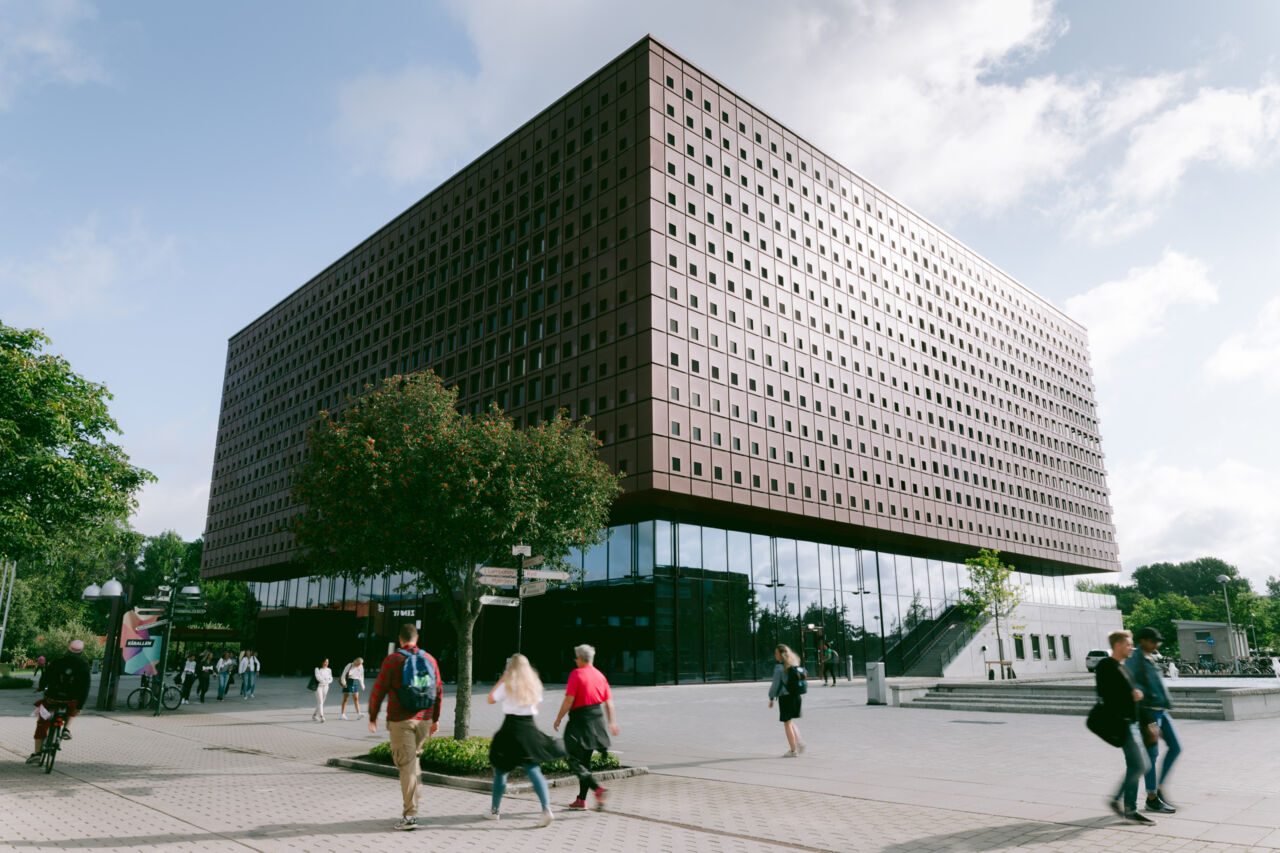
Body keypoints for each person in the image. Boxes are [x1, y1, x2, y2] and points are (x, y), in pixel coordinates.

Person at [368, 624, 443, 831]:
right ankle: (414, 797)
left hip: (401, 720)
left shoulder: (393, 660)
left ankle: (410, 816)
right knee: (412, 760)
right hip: (424, 719)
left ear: (400, 639)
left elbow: (379, 689)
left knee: (406, 765)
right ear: (416, 638)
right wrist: (435, 719)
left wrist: (373, 716)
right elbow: (438, 690)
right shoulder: (430, 659)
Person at [484, 653, 561, 826]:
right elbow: (537, 707)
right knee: (534, 769)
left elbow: (490, 699)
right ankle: (546, 808)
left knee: (502, 770)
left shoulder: (507, 684)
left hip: (510, 729)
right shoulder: (534, 685)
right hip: (529, 728)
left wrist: (502, 679)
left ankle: (494, 810)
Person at [1096, 629, 1154, 825]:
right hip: (1122, 723)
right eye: (1129, 644)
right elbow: (1105, 693)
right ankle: (1117, 800)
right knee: (1141, 765)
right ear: (1118, 645)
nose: (1132, 647)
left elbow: (1135, 697)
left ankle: (1129, 808)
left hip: (1133, 723)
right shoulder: (1106, 666)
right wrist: (1131, 694)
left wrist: (1148, 721)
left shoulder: (1124, 667)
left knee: (1135, 766)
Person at [552, 643, 619, 811]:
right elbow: (609, 703)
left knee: (571, 756)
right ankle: (581, 799)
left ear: (581, 658)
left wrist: (559, 718)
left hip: (580, 722)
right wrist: (611, 723)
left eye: (576, 658)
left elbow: (569, 700)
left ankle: (598, 789)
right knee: (584, 761)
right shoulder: (600, 675)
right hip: (597, 721)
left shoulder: (577, 674)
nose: (575, 661)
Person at [1127, 626, 1181, 814]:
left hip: (1162, 711)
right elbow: (1131, 685)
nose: (1156, 644)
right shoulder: (1135, 660)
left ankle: (1159, 788)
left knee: (1175, 747)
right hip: (1149, 713)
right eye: (1153, 641)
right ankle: (1151, 798)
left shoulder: (1151, 658)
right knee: (1151, 755)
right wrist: (1145, 715)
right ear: (1143, 640)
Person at [27, 640, 91, 764]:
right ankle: (66, 729)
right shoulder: (83, 667)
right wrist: (80, 706)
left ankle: (37, 753)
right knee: (73, 711)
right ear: (81, 653)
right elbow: (85, 688)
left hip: (52, 698)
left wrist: (41, 687)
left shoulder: (57, 662)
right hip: (71, 700)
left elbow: (45, 677)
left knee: (42, 723)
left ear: (68, 649)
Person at [768, 643, 805, 756]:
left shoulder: (779, 667)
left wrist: (771, 697)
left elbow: (775, 685)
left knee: (787, 723)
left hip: (786, 697)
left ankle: (793, 750)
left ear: (781, 655)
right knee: (789, 721)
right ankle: (799, 742)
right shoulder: (794, 664)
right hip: (796, 696)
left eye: (776, 653)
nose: (775, 655)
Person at [312, 658, 333, 722]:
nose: (326, 663)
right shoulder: (317, 669)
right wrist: (326, 680)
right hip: (318, 687)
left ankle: (314, 715)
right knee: (320, 701)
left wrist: (328, 681)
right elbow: (318, 678)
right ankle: (321, 716)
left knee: (321, 702)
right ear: (322, 662)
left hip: (326, 687)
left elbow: (331, 678)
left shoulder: (329, 670)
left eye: (327, 662)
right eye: (325, 662)